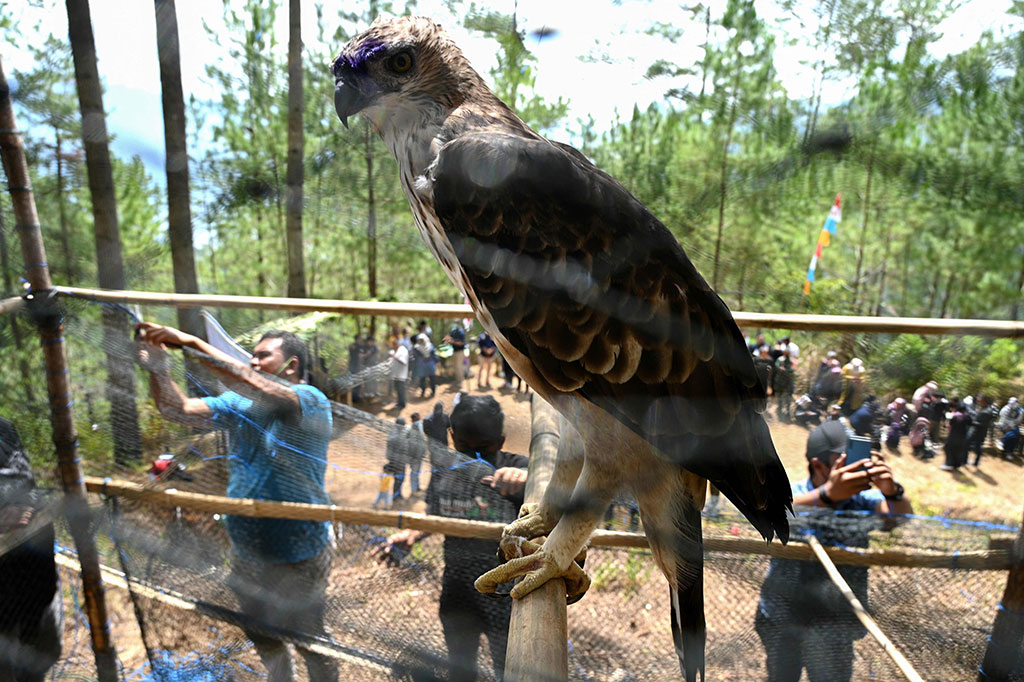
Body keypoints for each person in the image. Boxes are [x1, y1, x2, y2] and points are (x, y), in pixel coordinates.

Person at [135, 323, 337, 682]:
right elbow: (176, 409)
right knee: (261, 631)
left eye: (263, 356)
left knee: (309, 637)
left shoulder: (309, 400)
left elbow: (251, 383)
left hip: (300, 549)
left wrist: (191, 342)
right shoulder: (240, 404)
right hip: (248, 550)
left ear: (291, 365)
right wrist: (158, 367)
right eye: (252, 356)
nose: (253, 362)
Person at [374, 395, 528, 682]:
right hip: (458, 591)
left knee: (508, 669)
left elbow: (558, 492)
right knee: (460, 668)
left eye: (484, 448)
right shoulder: (446, 470)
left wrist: (527, 480)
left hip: (506, 595)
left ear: (501, 441)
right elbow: (434, 512)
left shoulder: (517, 472)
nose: (474, 456)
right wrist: (412, 534)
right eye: (465, 447)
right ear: (453, 437)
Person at [755, 420, 912, 682]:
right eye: (845, 461)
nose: (855, 468)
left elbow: (900, 518)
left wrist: (892, 491)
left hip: (835, 623)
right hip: (783, 618)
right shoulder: (794, 493)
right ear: (818, 466)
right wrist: (827, 496)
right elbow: (769, 512)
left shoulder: (862, 501)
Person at [0, 417, 61, 682]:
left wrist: (30, 503)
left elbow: (25, 481)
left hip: (33, 572)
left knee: (45, 650)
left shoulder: (4, 428)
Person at [967, 395, 997, 467]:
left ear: (984, 401)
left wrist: (971, 421)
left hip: (979, 432)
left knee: (977, 447)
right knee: (970, 445)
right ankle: (967, 460)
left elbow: (982, 424)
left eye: (979, 401)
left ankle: (975, 462)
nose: (978, 402)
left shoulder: (987, 411)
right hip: (976, 430)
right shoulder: (983, 408)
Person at [385, 417, 410, 503]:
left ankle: (398, 494)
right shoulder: (395, 436)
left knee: (400, 479)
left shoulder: (396, 431)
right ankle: (396, 496)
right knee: (398, 479)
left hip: (398, 460)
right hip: (397, 461)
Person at [423, 402, 452, 470]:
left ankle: (442, 469)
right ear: (434, 409)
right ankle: (435, 470)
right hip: (433, 443)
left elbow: (448, 426)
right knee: (434, 460)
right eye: (437, 410)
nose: (438, 412)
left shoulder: (445, 416)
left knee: (444, 457)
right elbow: (425, 431)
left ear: (442, 410)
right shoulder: (428, 420)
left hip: (443, 442)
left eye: (439, 410)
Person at [406, 412, 427, 495]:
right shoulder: (417, 426)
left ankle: (416, 487)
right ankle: (414, 489)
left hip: (416, 453)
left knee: (416, 471)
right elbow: (419, 439)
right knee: (415, 472)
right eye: (418, 417)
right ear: (415, 419)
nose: (419, 418)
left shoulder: (415, 426)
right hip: (415, 454)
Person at [412, 333, 438, 398]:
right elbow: (434, 355)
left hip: (424, 365)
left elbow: (415, 356)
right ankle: (427, 391)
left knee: (427, 379)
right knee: (426, 379)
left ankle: (429, 392)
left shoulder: (418, 348)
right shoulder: (428, 346)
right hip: (428, 364)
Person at [772, 350, 795, 422]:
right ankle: (779, 410)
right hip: (780, 381)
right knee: (779, 396)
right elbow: (776, 366)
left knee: (788, 398)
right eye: (786, 352)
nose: (787, 353)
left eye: (788, 352)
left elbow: (794, 368)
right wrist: (780, 368)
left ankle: (787, 413)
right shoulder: (780, 359)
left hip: (788, 382)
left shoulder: (792, 360)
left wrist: (787, 370)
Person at [444, 324, 467, 390]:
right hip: (454, 351)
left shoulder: (461, 332)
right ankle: (458, 380)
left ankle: (461, 381)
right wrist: (447, 339)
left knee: (459, 367)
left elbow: (461, 343)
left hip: (460, 352)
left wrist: (452, 341)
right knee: (455, 366)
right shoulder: (453, 331)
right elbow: (448, 337)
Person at [389, 336, 409, 410]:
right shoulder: (398, 350)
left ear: (396, 345)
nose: (393, 348)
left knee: (401, 390)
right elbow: (396, 358)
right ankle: (399, 402)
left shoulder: (403, 350)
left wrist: (394, 356)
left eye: (394, 346)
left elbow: (403, 361)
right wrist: (392, 358)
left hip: (401, 375)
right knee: (397, 390)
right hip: (397, 374)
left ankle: (402, 404)